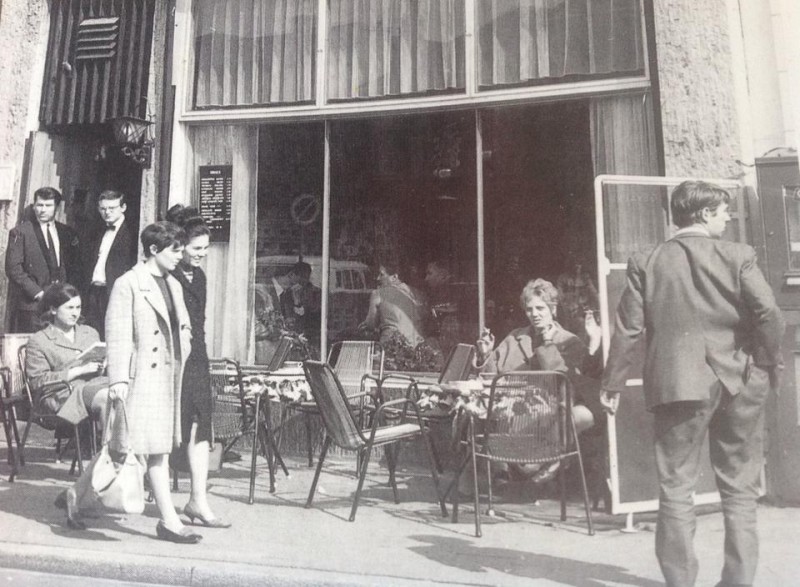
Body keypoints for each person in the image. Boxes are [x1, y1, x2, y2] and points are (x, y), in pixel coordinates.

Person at [600, 180, 784, 587]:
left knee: (676, 487)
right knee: (740, 488)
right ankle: (738, 582)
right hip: (739, 380)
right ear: (703, 214)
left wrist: (612, 384)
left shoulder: (646, 260)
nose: (727, 217)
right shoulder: (739, 255)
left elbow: (628, 330)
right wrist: (767, 362)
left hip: (677, 384)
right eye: (722, 211)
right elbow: (769, 312)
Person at [103, 221, 199, 543]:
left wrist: (185, 340)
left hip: (168, 375)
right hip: (141, 377)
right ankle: (169, 522)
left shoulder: (172, 283)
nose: (181, 254)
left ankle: (78, 498)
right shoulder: (127, 283)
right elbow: (116, 334)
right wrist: (118, 379)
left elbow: (181, 323)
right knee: (135, 450)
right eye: (175, 249)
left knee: (141, 449)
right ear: (154, 250)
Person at [475, 278, 602, 483]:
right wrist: (485, 355)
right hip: (511, 412)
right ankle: (505, 473)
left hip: (545, 415)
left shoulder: (569, 342)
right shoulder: (515, 337)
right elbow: (491, 376)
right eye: (529, 309)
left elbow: (563, 381)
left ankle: (531, 470)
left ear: (553, 308)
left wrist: (548, 342)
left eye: (540, 308)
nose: (534, 314)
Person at [165, 205, 230, 529]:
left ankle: (197, 500)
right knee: (158, 429)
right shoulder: (165, 275)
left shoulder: (200, 276)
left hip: (197, 360)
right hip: (170, 361)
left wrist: (201, 359)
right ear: (180, 246)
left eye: (206, 248)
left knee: (200, 425)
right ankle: (87, 492)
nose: (203, 254)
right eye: (197, 248)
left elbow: (199, 325)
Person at [24, 283, 110, 434]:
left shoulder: (89, 333)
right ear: (53, 309)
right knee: (108, 397)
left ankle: (132, 451)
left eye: (78, 307)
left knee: (126, 391)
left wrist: (103, 365)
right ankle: (110, 451)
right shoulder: (39, 340)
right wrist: (78, 371)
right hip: (62, 394)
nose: (75, 313)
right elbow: (37, 382)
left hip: (95, 384)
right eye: (69, 308)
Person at [5, 187, 82, 332]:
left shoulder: (67, 233)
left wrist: (67, 296)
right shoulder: (21, 232)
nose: (42, 210)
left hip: (60, 307)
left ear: (57, 208)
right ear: (34, 206)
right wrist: (38, 293)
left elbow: (74, 267)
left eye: (48, 206)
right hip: (32, 306)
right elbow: (13, 269)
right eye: (39, 205)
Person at [82, 190, 138, 339]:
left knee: (113, 335)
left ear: (123, 207)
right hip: (94, 292)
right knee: (92, 334)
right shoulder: (96, 230)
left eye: (112, 208)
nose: (107, 212)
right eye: (103, 208)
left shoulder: (133, 232)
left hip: (115, 292)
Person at [359, 261, 428, 348]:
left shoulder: (377, 293)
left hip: (391, 348)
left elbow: (370, 325)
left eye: (381, 275)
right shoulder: (420, 294)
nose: (377, 278)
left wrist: (366, 324)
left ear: (395, 277)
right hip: (418, 348)